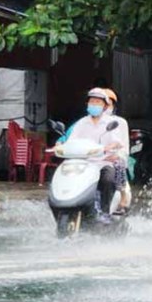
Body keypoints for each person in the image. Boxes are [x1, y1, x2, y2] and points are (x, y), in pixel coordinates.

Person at [61, 88, 120, 224]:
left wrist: (110, 147)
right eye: (91, 101)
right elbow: (71, 141)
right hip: (84, 163)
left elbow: (117, 142)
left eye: (98, 102)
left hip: (102, 162)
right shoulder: (82, 123)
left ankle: (105, 212)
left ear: (105, 106)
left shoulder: (109, 123)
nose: (94, 104)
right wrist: (60, 147)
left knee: (108, 178)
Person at [103, 88, 132, 210]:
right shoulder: (85, 122)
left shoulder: (119, 122)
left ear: (114, 106)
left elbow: (122, 146)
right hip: (91, 159)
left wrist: (116, 154)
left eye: (107, 104)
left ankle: (122, 195)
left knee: (117, 165)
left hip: (111, 159)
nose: (104, 108)